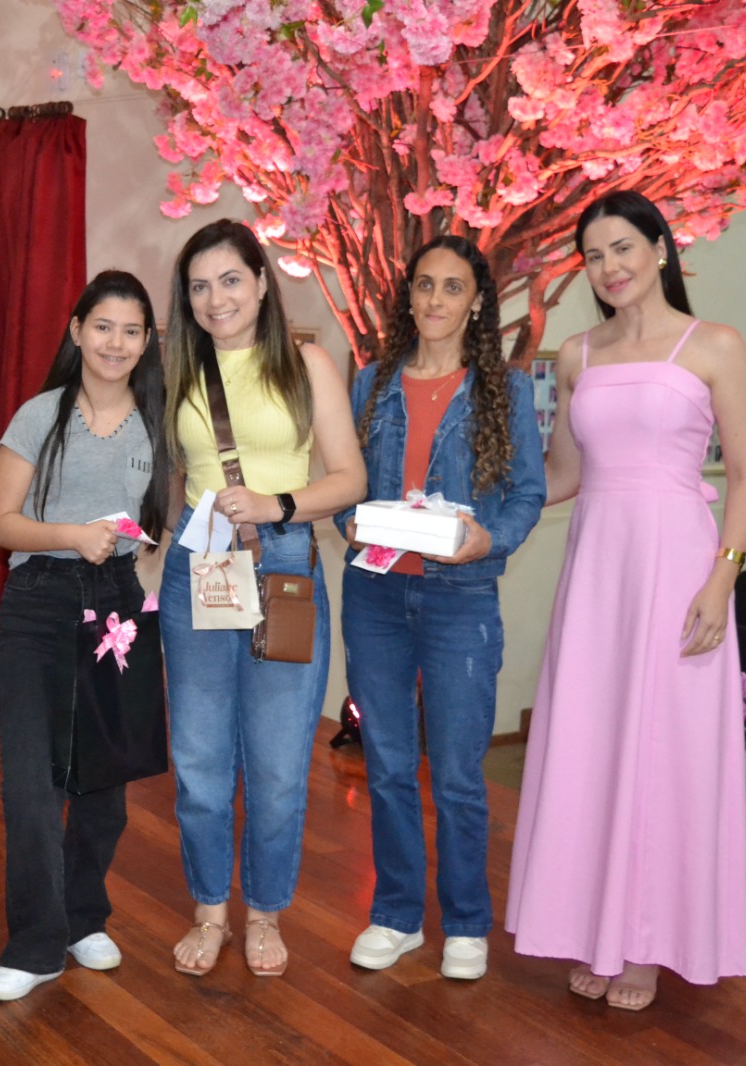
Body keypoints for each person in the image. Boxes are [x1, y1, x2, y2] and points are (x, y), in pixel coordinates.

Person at [505, 190, 746, 1010]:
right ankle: (595, 929)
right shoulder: (577, 354)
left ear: (659, 246)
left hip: (682, 566)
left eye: (622, 247)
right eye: (593, 255)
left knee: (663, 750)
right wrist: (478, 502)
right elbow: (566, 475)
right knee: (594, 744)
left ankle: (647, 943)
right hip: (598, 572)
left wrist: (722, 577)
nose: (609, 266)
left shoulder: (715, 344)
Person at [337, 236, 546, 980]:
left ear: (477, 302)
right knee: (390, 764)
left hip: (462, 598)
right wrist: (348, 524)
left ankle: (465, 921)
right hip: (376, 596)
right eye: (423, 285)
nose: (434, 300)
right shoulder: (371, 384)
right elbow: (343, 483)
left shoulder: (506, 392)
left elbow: (528, 492)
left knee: (459, 773)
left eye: (452, 288)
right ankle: (396, 916)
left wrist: (490, 540)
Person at [160, 219, 365, 977]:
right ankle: (211, 909)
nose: (217, 300)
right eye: (200, 287)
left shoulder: (307, 363)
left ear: (260, 281)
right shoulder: (180, 367)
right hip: (201, 567)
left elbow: (349, 478)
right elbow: (176, 472)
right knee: (199, 754)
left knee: (278, 761)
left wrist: (278, 504)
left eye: (231, 280)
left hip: (282, 563)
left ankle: (267, 909)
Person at [0, 270, 169, 1001]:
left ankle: (83, 915)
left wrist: (145, 583)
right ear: (76, 330)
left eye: (131, 331)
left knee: (103, 780)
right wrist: (70, 536)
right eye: (102, 327)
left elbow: (167, 522)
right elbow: (1, 522)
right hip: (39, 600)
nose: (115, 343)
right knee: (31, 782)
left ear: (146, 340)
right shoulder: (40, 415)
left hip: (119, 603)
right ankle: (34, 944)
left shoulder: (157, 421)